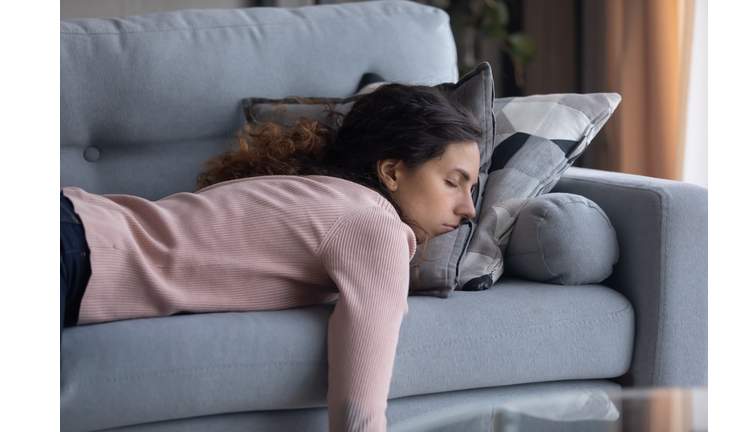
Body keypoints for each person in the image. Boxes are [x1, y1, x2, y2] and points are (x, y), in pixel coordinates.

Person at [60, 82, 483, 432]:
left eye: (472, 189)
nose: (470, 210)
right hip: (73, 249)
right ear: (391, 171)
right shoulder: (376, 228)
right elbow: (359, 411)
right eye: (453, 182)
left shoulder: (316, 191)